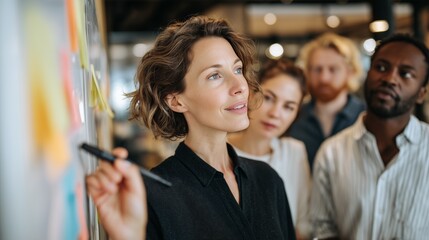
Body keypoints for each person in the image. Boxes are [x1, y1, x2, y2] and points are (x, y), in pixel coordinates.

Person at [86, 16, 296, 240]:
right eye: (215, 75)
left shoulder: (268, 180)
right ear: (176, 101)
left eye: (237, 70)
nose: (239, 87)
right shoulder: (152, 195)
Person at [310, 34, 429, 239]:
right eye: (381, 68)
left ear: (422, 93)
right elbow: (322, 229)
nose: (390, 79)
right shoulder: (332, 153)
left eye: (405, 74)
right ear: (367, 73)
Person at [228, 58, 311, 239]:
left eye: (288, 107)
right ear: (251, 94)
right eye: (268, 98)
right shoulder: (220, 152)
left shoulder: (294, 152)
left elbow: (303, 223)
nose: (275, 113)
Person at [287, 33, 366, 170]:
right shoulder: (292, 116)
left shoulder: (366, 117)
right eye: (317, 69)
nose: (324, 78)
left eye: (333, 69)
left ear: (350, 72)